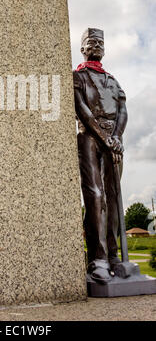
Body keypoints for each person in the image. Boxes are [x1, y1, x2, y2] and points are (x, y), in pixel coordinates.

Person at [73, 28, 128, 283]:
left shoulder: (113, 80)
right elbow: (81, 109)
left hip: (113, 141)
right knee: (96, 196)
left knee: (114, 197)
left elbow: (122, 110)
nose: (96, 46)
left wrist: (115, 137)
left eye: (100, 43)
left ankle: (114, 254)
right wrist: (104, 138)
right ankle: (98, 258)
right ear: (83, 48)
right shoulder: (78, 76)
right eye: (91, 43)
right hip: (90, 138)